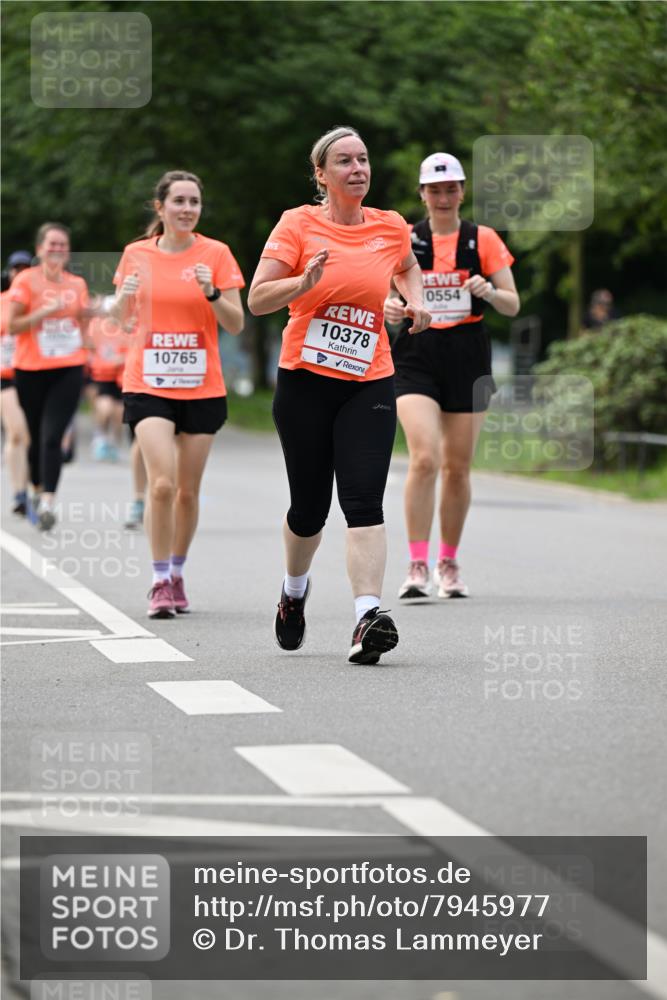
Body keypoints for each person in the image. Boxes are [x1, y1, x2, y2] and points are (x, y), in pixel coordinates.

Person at [249, 126, 431, 665]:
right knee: (309, 509)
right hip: (305, 381)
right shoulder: (296, 224)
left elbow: (407, 268)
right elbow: (258, 299)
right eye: (345, 161)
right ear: (321, 175)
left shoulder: (391, 225)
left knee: (364, 503)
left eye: (364, 159)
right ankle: (293, 592)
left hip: (368, 380)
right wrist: (302, 284)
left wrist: (414, 302)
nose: (358, 169)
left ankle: (366, 619)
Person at [386, 152, 519, 600]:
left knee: (457, 468)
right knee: (424, 457)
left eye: (451, 188)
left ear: (462, 191)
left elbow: (512, 303)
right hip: (415, 352)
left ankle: (448, 561)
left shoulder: (482, 239)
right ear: (422, 194)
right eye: (434, 189)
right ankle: (417, 563)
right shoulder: (403, 238)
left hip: (467, 352)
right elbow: (378, 290)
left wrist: (489, 290)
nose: (443, 197)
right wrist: (386, 306)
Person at [113, 170, 245, 618]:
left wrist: (210, 292)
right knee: (163, 484)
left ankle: (177, 571)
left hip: (201, 386)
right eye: (179, 201)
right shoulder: (136, 255)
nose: (187, 209)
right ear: (160, 207)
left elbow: (235, 323)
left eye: (194, 202)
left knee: (188, 491)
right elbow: (122, 319)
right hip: (147, 383)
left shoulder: (217, 254)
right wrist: (121, 299)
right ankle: (157, 580)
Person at [6, 225, 91, 531]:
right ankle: (35, 486)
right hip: (30, 369)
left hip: (68, 367)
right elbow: (13, 326)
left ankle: (48, 501)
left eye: (63, 244)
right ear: (40, 249)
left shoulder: (77, 284)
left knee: (53, 435)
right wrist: (44, 313)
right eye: (52, 244)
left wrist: (92, 335)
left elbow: (83, 324)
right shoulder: (26, 281)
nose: (57, 249)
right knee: (35, 434)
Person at [0, 251, 32, 515]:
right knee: (17, 432)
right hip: (5, 376)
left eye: (25, 268)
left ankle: (34, 487)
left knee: (32, 435)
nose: (19, 273)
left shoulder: (39, 303)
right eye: (15, 269)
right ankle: (19, 493)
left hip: (33, 373)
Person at [88, 299, 127, 462]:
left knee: (119, 414)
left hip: (121, 377)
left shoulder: (126, 328)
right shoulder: (96, 326)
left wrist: (121, 359)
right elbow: (89, 347)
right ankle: (100, 437)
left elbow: (132, 350)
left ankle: (114, 444)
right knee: (105, 409)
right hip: (102, 376)